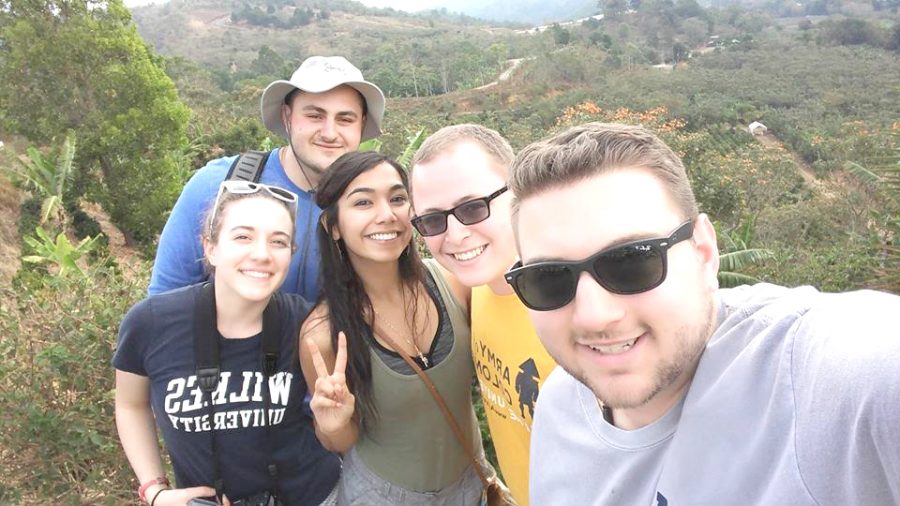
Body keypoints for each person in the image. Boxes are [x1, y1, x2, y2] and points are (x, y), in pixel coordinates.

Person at [505, 122, 900, 505]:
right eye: (549, 279)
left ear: (703, 251)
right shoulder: (559, 404)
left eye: (632, 262)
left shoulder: (817, 381)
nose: (594, 316)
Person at [115, 181, 341, 505]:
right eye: (243, 237)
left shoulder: (308, 324)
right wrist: (155, 491)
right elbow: (130, 404)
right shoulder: (151, 323)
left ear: (290, 254)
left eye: (278, 242)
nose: (261, 254)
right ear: (211, 247)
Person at [298, 151, 495, 505]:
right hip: (383, 496)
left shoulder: (454, 281)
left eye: (397, 198)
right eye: (363, 202)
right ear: (334, 227)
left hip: (472, 484)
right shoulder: (322, 334)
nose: (386, 215)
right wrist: (333, 424)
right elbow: (340, 441)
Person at [149, 55, 385, 299]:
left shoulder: (376, 204)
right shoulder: (219, 183)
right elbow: (165, 300)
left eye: (345, 119)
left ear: (361, 124)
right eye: (315, 116)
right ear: (287, 116)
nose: (329, 133)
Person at [409, 124, 556, 505]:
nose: (455, 235)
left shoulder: (571, 311)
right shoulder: (477, 286)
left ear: (518, 191)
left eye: (473, 207)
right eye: (432, 220)